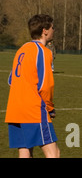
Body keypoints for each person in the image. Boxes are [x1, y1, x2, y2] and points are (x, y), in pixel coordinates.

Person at [5, 14, 60, 158]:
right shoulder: (43, 51)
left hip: (14, 109)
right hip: (33, 109)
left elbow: (11, 80)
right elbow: (45, 85)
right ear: (45, 30)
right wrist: (50, 108)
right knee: (53, 153)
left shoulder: (22, 49)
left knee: (25, 152)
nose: (54, 30)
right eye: (53, 27)